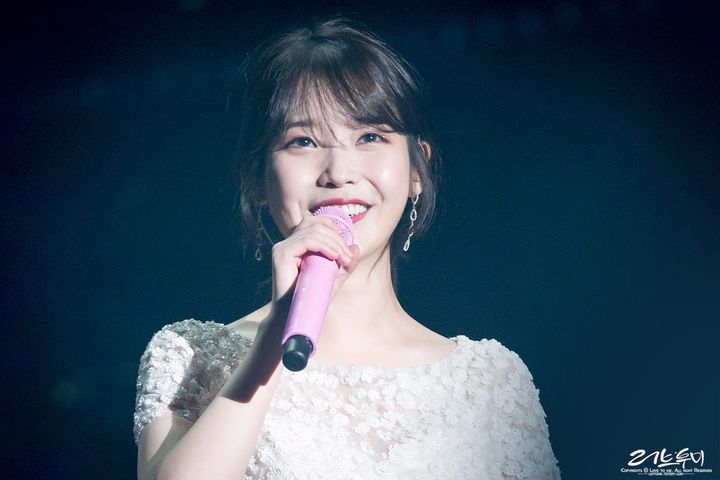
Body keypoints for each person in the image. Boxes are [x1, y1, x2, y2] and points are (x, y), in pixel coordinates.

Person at [133, 17, 561, 480]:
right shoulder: (188, 355)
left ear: (417, 169)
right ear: (257, 180)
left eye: (370, 136)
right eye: (303, 141)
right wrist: (273, 342)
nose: (339, 172)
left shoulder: (492, 383)